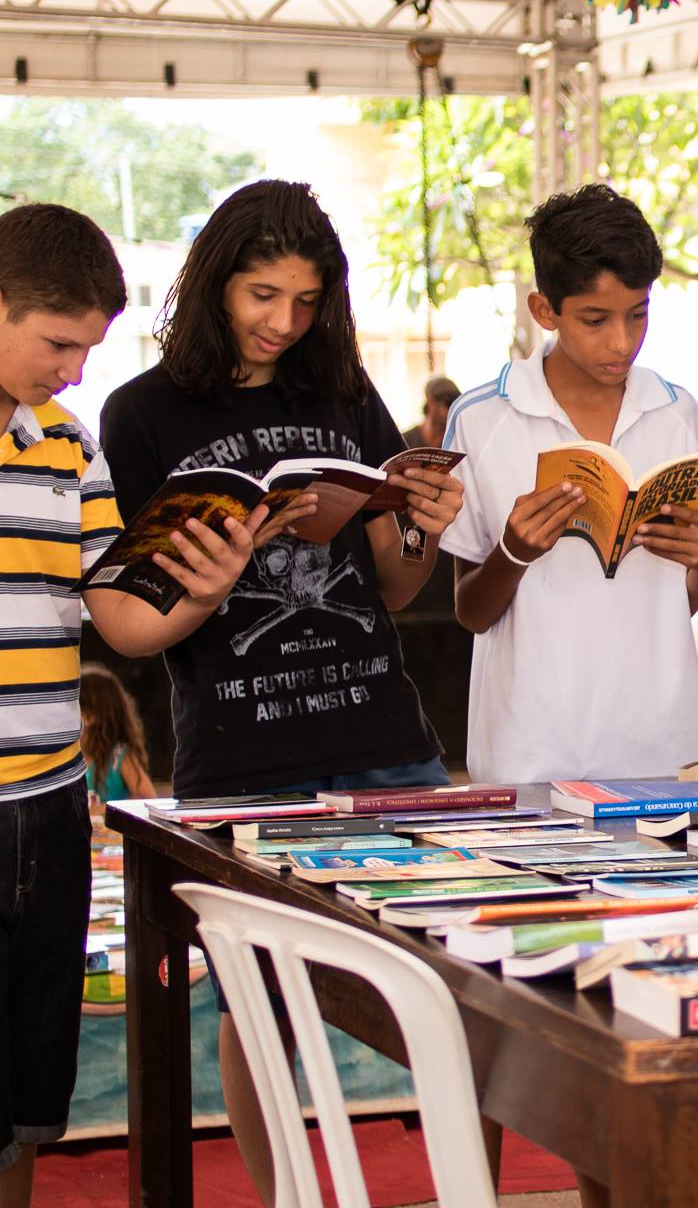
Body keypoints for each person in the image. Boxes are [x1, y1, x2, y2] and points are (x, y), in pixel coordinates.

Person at [99, 179, 465, 1204]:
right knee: (255, 1001)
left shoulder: (340, 394)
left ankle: (459, 1184)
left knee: (458, 980)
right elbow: (133, 612)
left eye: (306, 302)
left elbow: (390, 587)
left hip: (387, 737)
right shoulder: (139, 413)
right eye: (262, 295)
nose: (283, 323)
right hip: (241, 754)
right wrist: (214, 571)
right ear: (215, 283)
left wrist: (419, 520)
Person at [0, 203, 262, 1208]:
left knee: (30, 1099)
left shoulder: (70, 445)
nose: (72, 370)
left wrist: (204, 585)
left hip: (53, 810)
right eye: (57, 342)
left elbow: (119, 622)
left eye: (87, 348)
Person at [443, 184, 698, 785]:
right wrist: (514, 553)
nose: (622, 341)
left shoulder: (676, 412)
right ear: (545, 311)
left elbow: (682, 600)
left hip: (662, 745)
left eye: (639, 313)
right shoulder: (483, 418)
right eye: (595, 320)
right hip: (530, 749)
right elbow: (469, 611)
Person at [79, 663, 157, 804]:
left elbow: (148, 799)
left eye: (72, 707)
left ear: (90, 717)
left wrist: (105, 810)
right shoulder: (70, 758)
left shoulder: (119, 757)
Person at [404, 374, 461, 449]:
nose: (451, 409)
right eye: (448, 403)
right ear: (431, 402)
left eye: (455, 403)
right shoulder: (406, 440)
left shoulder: (456, 440)